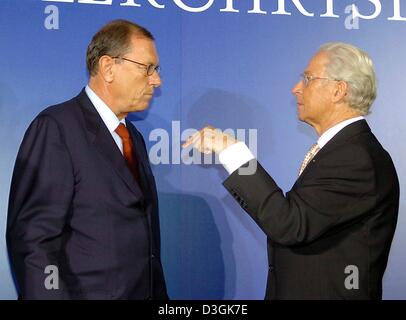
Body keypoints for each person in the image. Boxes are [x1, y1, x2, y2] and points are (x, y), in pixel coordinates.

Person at [183, 42, 399, 299]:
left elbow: (289, 224)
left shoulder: (355, 157)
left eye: (308, 79)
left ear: (339, 90)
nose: (296, 88)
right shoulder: (344, 150)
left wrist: (232, 150)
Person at [6, 20, 168, 300]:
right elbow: (34, 241)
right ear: (108, 68)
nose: (156, 80)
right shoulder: (57, 128)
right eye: (147, 68)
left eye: (156, 70)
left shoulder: (134, 138)